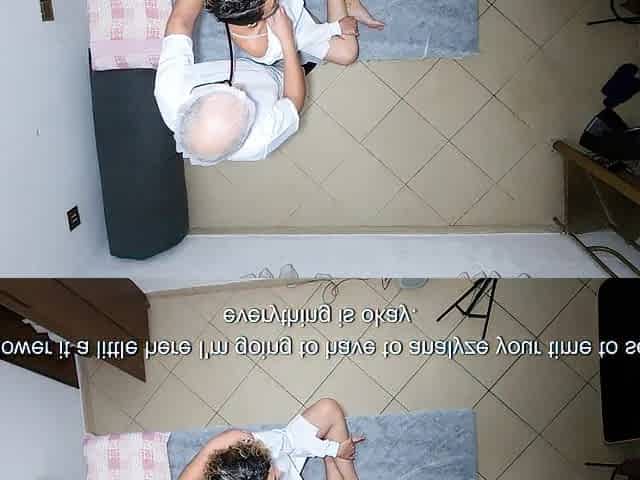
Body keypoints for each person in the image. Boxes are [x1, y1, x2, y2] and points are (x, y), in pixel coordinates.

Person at [155, 0, 307, 164]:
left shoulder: (170, 89)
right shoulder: (260, 140)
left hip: (217, 57)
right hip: (279, 79)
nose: (240, 87)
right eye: (243, 97)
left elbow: (181, 20)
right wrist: (287, 39)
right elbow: (294, 100)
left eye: (225, 86)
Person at [178, 398, 365, 480]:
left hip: (288, 451)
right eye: (273, 477)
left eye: (269, 468)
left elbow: (289, 443)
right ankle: (330, 462)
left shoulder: (241, 441)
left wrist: (333, 449)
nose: (277, 471)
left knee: (328, 408)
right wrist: (330, 451)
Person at [206, 0, 384, 67]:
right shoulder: (260, 45)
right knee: (347, 54)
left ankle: (351, 3)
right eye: (273, 5)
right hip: (296, 32)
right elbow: (299, 40)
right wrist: (335, 28)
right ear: (254, 22)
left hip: (293, 19)